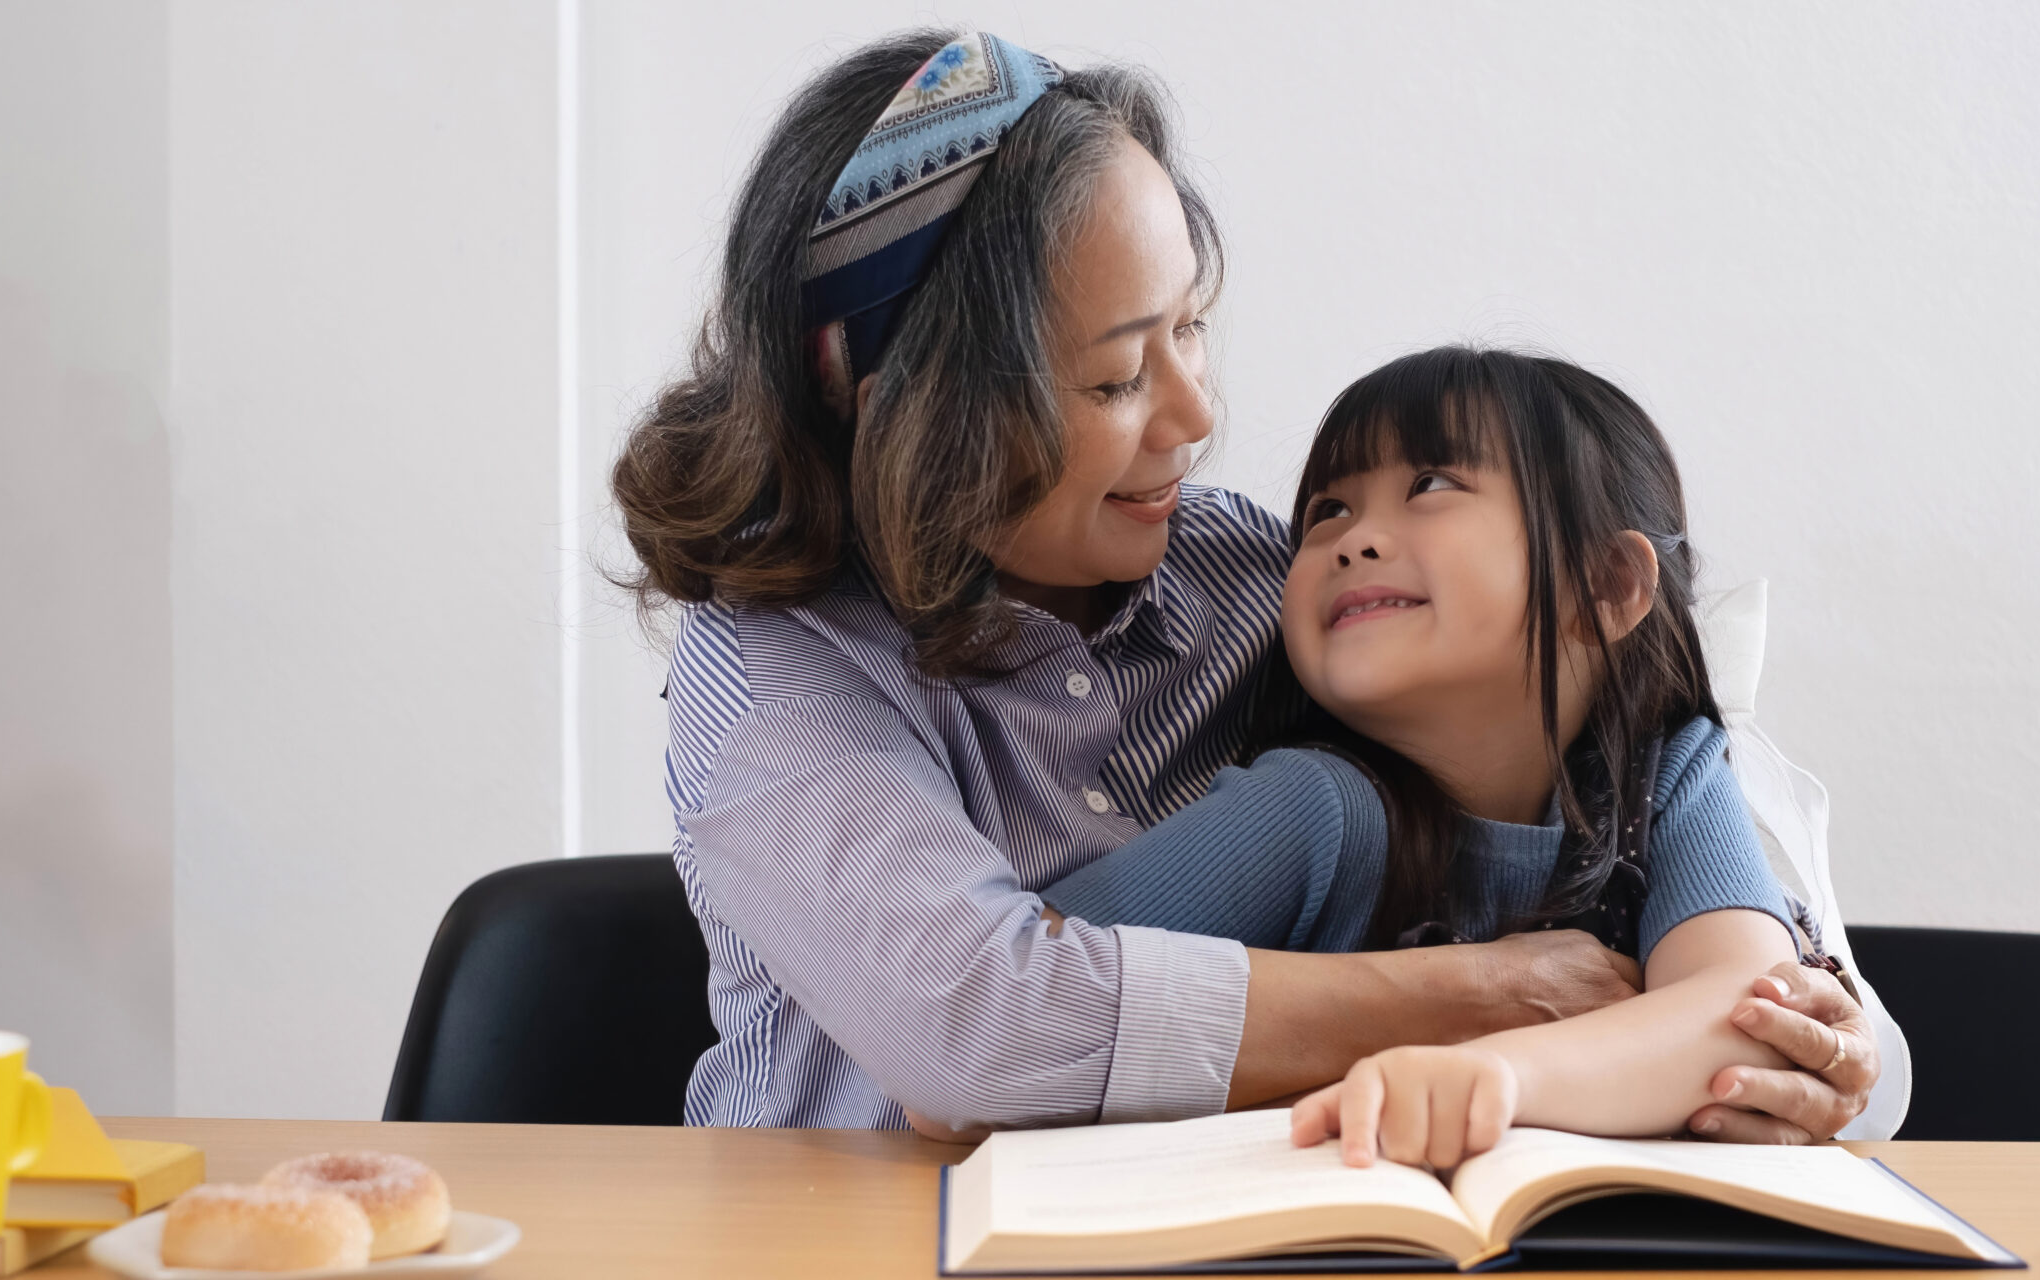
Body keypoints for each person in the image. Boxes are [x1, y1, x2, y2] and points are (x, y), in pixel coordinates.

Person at [612, 29, 1878, 1140]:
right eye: (1114, 381)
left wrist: (1828, 1036)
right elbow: (981, 1035)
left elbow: (1619, 729)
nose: (1196, 416)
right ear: (908, 415)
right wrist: (1478, 999)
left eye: (1191, 326)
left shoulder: (1249, 573)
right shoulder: (775, 666)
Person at [1040, 346, 1848, 1165]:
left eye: (1430, 486)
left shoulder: (1667, 779)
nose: (1352, 541)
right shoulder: (1308, 808)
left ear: (1605, 586)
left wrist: (1495, 1077)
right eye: (1327, 511)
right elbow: (1033, 989)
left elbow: (1744, 1014)